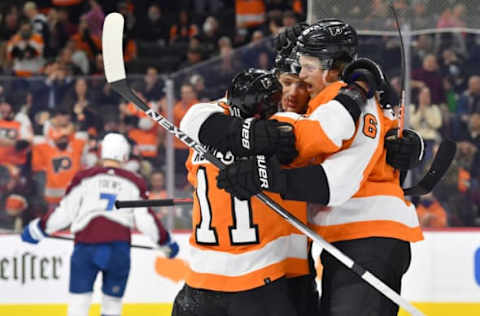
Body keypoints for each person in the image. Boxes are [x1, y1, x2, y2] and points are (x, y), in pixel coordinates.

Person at [217, 19, 424, 316]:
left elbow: (324, 150)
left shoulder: (340, 102)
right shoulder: (330, 101)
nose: (297, 83)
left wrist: (265, 171)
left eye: (305, 71)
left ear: (328, 66)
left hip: (364, 234)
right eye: (289, 78)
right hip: (346, 239)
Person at [172, 68, 304, 316]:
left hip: (199, 282)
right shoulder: (283, 133)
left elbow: (197, 120)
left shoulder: (200, 138)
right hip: (258, 280)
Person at [21, 133, 179, 316]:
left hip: (86, 245)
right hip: (118, 248)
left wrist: (37, 230)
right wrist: (165, 242)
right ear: (125, 156)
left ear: (102, 153)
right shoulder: (135, 181)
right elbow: (145, 219)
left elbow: (65, 212)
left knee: (78, 304)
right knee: (112, 305)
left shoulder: (84, 177)